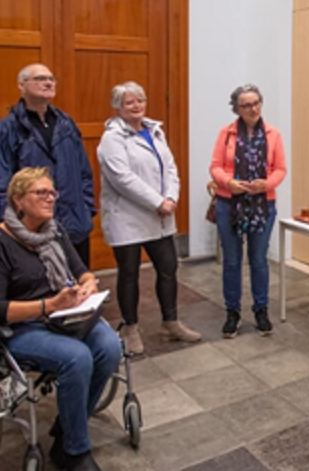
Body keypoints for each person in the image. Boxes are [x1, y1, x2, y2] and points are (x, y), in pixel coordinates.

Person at [0, 167, 121, 471]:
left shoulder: (54, 230)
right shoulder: (3, 241)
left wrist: (88, 285)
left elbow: (83, 270)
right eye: (41, 193)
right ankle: (74, 450)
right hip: (22, 327)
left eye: (52, 192)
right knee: (77, 357)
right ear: (18, 200)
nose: (50, 198)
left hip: (64, 316)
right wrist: (47, 305)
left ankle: (67, 428)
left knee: (110, 346)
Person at [97, 81, 200, 355]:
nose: (136, 105)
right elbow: (122, 178)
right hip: (127, 217)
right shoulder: (112, 138)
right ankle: (130, 328)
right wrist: (158, 201)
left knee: (168, 268)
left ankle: (171, 322)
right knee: (128, 274)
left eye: (140, 100)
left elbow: (170, 168)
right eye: (129, 102)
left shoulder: (155, 131)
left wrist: (172, 197)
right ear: (118, 106)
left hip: (161, 216)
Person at [0, 63, 96, 267]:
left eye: (51, 79)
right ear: (21, 85)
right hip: (32, 230)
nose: (48, 83)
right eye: (40, 79)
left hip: (74, 224)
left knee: (81, 288)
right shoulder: (8, 129)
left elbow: (84, 172)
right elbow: (3, 181)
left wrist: (86, 209)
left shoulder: (66, 124)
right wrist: (12, 224)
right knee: (45, 292)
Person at [210, 84, 287, 338]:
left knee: (259, 261)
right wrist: (228, 183)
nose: (253, 109)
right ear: (237, 109)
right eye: (246, 105)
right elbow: (216, 166)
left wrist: (267, 184)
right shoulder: (226, 133)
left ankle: (261, 310)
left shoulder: (273, 133)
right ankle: (232, 313)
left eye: (256, 103)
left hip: (263, 204)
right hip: (228, 205)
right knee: (232, 262)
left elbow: (280, 169)